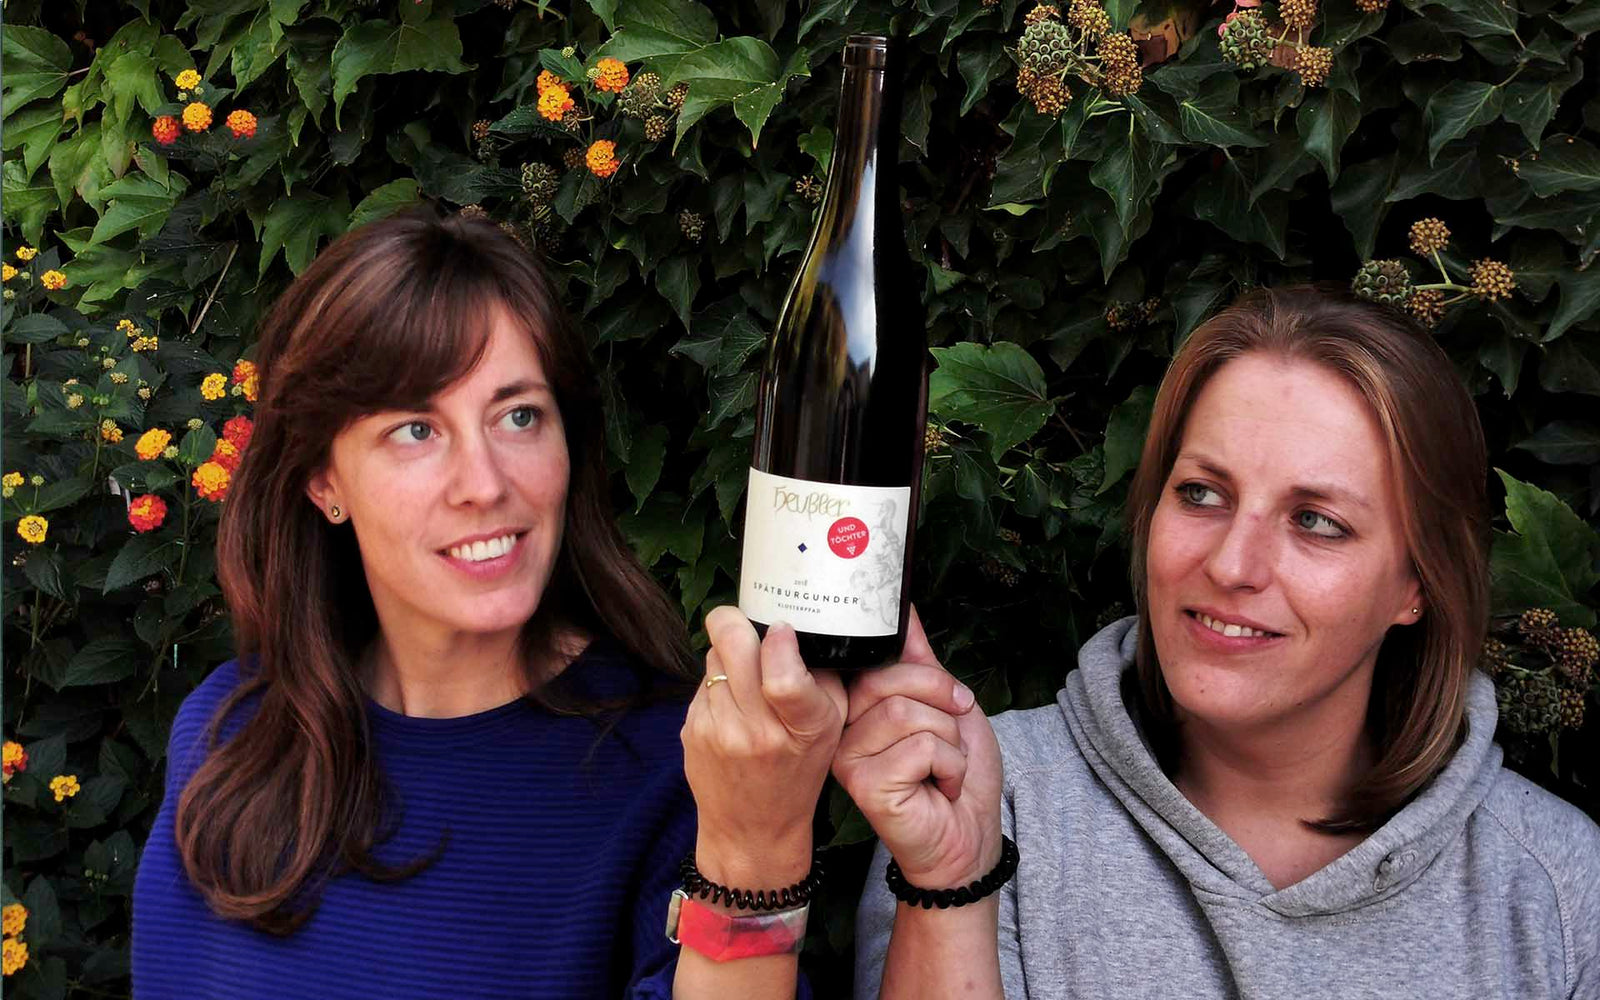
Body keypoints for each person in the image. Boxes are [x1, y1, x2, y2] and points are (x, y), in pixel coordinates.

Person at [823, 285, 1600, 998]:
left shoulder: (1557, 888)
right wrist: (952, 883)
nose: (1231, 564)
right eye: (1201, 494)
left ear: (1417, 585)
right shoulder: (987, 802)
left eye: (1316, 522)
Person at [131, 211, 835, 998]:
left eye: (519, 416)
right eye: (414, 430)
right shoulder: (230, 731)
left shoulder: (684, 769)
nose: (486, 483)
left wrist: (754, 856)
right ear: (322, 479)